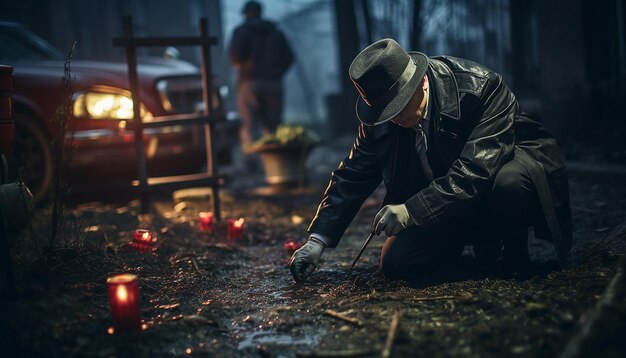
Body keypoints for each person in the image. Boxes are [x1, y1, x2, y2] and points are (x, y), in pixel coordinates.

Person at [289, 39, 572, 282]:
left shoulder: (481, 88)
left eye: (398, 107)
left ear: (421, 82)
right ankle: (465, 240)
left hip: (491, 186)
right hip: (440, 203)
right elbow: (352, 175)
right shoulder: (381, 120)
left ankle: (512, 253)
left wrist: (411, 211)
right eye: (385, 112)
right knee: (397, 266)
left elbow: (475, 170)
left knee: (510, 181)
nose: (393, 118)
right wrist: (318, 240)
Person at [228, 0, 294, 165]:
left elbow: (235, 57)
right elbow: (289, 58)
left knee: (249, 125)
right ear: (260, 12)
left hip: (249, 83)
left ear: (245, 13)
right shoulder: (276, 32)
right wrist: (276, 73)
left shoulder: (241, 31)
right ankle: (275, 165)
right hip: (273, 83)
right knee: (273, 127)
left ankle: (252, 164)